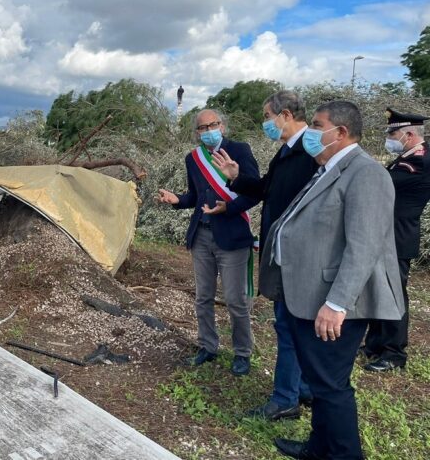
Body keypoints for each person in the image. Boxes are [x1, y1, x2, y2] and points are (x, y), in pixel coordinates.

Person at [260, 100, 404, 459]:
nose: (310, 132)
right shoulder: (329, 167)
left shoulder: (366, 173)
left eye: (318, 125)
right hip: (308, 296)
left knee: (331, 387)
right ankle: (319, 448)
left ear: (340, 132)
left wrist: (337, 303)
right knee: (322, 385)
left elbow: (364, 246)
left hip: (334, 303)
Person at [210, 91, 319, 421]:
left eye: (267, 116)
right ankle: (302, 389)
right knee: (292, 326)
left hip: (297, 253)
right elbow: (265, 190)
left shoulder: (309, 151)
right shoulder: (286, 151)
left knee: (288, 327)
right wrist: (236, 177)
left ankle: (285, 398)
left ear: (285, 115)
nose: (265, 123)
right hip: (282, 248)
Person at [156, 109, 260, 376]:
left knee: (236, 300)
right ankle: (208, 346)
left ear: (222, 126)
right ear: (197, 132)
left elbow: (255, 192)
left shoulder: (240, 150)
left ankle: (242, 352)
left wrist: (229, 208)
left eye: (212, 125)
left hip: (232, 234)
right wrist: (177, 200)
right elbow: (195, 196)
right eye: (202, 128)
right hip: (201, 234)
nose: (207, 131)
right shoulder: (193, 159)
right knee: (203, 296)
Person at [361, 107, 430, 372]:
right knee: (378, 290)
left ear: (410, 134)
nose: (389, 137)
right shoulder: (407, 156)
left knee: (393, 296)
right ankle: (375, 344)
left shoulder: (418, 162)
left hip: (397, 238)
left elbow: (381, 184)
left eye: (394, 132)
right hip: (386, 234)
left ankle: (394, 353)